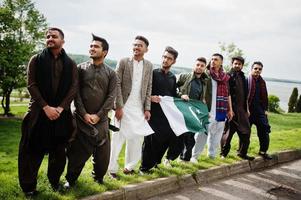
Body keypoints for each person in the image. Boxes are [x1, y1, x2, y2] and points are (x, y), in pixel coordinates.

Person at [18, 27, 78, 196]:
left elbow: (74, 88)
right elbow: (31, 85)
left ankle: (54, 182)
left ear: (63, 41)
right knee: (31, 151)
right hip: (38, 112)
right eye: (48, 36)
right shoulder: (36, 60)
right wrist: (46, 107)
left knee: (59, 153)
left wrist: (59, 108)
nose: (50, 38)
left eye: (54, 36)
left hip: (61, 114)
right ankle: (29, 188)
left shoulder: (70, 63)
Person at [64, 34, 117, 188]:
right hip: (81, 120)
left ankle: (98, 178)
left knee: (102, 156)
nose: (92, 48)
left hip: (101, 122)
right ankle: (71, 180)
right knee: (77, 154)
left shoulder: (111, 73)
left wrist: (99, 116)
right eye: (91, 46)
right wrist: (84, 114)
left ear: (105, 52)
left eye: (96, 47)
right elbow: (76, 93)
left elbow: (111, 97)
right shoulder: (80, 69)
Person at [108, 35, 154, 178]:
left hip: (139, 108)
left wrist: (147, 108)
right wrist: (119, 107)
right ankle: (112, 170)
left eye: (140, 45)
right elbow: (116, 84)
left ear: (146, 49)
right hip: (123, 106)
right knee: (117, 138)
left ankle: (129, 167)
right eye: (135, 45)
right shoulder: (123, 62)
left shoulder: (149, 65)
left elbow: (148, 87)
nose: (136, 47)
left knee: (136, 139)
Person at [140, 46, 181, 173]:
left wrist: (181, 96)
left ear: (173, 61)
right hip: (151, 112)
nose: (165, 60)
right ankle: (144, 168)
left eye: (169, 58)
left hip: (166, 115)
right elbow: (143, 90)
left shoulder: (172, 77)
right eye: (164, 57)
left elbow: (173, 94)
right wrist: (150, 98)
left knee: (165, 139)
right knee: (150, 141)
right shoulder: (153, 73)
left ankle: (156, 162)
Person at [191, 53, 233, 161]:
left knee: (217, 133)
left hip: (221, 110)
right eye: (212, 59)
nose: (213, 61)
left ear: (221, 62)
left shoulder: (224, 77)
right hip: (208, 109)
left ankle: (212, 155)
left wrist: (230, 109)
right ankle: (194, 156)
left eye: (216, 59)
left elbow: (228, 94)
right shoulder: (206, 74)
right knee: (202, 133)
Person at [176, 57, 211, 162]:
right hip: (183, 109)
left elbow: (202, 98)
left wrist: (204, 111)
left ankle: (185, 159)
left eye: (202, 66)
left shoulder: (204, 81)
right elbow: (173, 88)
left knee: (191, 136)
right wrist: (181, 95)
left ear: (205, 68)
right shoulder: (184, 76)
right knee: (183, 135)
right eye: (197, 65)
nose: (199, 67)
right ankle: (177, 157)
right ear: (194, 65)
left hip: (194, 112)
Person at [220, 56, 254, 160]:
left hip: (242, 110)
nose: (237, 65)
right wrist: (229, 110)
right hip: (231, 109)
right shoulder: (228, 76)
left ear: (242, 65)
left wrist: (247, 108)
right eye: (235, 63)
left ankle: (242, 153)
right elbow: (227, 93)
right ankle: (223, 154)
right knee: (228, 133)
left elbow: (246, 95)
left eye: (239, 64)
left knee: (246, 132)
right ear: (232, 64)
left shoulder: (243, 77)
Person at [248, 61, 272, 160]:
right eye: (255, 68)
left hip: (260, 111)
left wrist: (265, 109)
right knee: (245, 133)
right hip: (248, 111)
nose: (257, 70)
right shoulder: (247, 80)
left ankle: (263, 151)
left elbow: (265, 96)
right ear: (252, 69)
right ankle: (242, 151)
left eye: (259, 69)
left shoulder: (262, 82)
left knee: (264, 131)